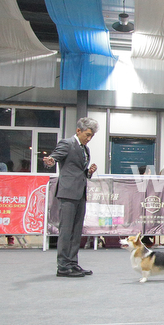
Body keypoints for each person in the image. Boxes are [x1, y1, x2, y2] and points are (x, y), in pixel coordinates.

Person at [42, 117, 99, 277]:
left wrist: (89, 172)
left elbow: (79, 171)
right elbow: (54, 157)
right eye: (87, 135)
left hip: (80, 193)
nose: (89, 138)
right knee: (66, 231)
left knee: (76, 231)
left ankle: (73, 263)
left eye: (91, 136)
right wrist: (50, 161)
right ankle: (63, 266)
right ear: (78, 131)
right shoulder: (67, 143)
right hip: (67, 193)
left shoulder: (85, 149)